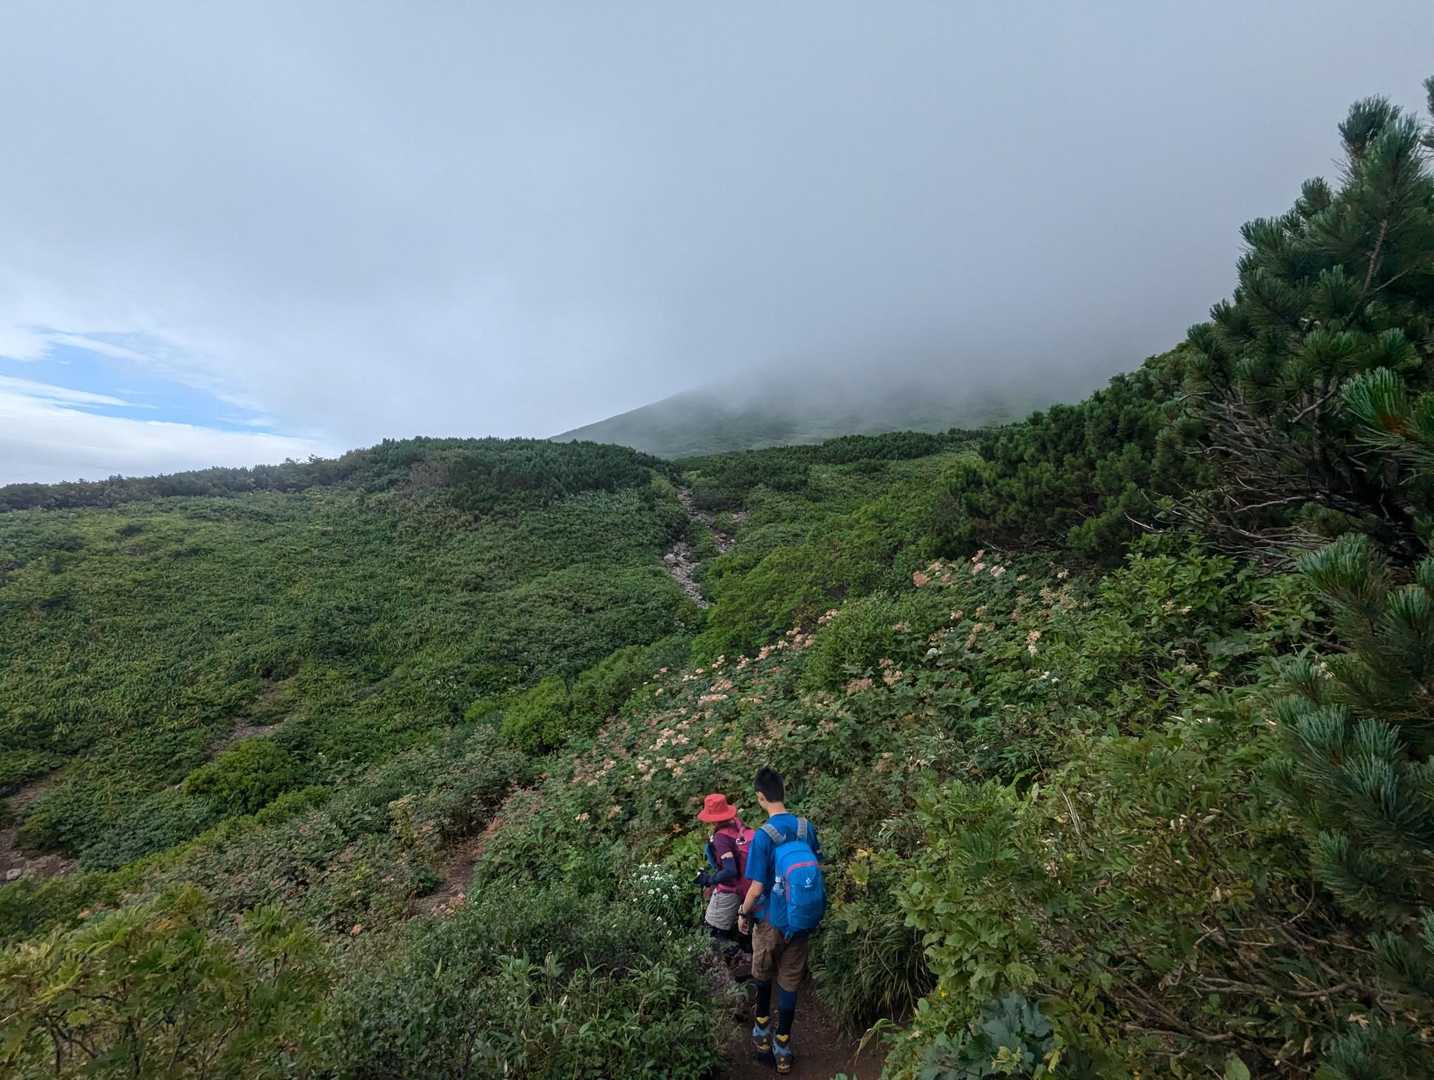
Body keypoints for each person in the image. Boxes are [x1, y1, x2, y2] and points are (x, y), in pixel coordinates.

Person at [737, 767, 824, 1075]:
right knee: (789, 981)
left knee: (762, 974)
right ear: (784, 790)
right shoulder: (805, 827)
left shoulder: (763, 836)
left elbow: (756, 887)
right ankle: (784, 1046)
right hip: (800, 921)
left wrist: (743, 913)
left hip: (771, 921)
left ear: (760, 797)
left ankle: (762, 1032)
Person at [693, 792, 753, 955]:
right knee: (746, 934)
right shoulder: (737, 824)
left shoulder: (721, 837)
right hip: (751, 887)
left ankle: (732, 963)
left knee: (713, 933)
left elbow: (730, 870)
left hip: (731, 889)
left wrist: (709, 880)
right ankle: (750, 960)